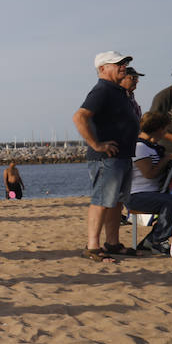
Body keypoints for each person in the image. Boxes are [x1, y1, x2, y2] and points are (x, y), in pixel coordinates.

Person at [73, 51, 141, 263]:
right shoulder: (102, 90)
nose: (123, 66)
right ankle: (93, 246)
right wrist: (96, 144)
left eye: (124, 63)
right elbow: (80, 117)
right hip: (107, 158)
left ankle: (112, 243)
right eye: (117, 64)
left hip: (122, 156)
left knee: (116, 203)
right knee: (102, 201)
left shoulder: (118, 91)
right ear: (103, 69)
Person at [128, 112, 172, 254]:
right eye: (165, 128)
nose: (166, 132)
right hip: (136, 195)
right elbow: (149, 174)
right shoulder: (140, 147)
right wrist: (166, 159)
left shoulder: (152, 146)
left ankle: (150, 241)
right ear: (159, 129)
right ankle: (157, 241)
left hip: (153, 193)